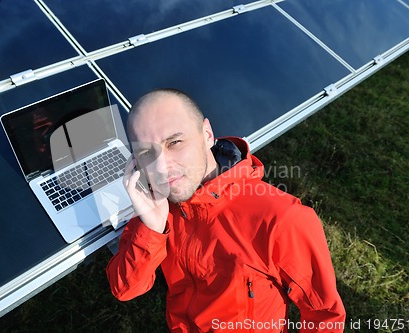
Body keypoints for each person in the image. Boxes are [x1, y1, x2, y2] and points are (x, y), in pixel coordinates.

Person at [106, 88, 346, 332]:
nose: (161, 166)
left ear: (207, 134)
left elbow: (325, 316)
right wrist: (151, 229)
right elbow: (124, 289)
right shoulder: (159, 204)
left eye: (174, 142)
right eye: (147, 152)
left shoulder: (281, 219)